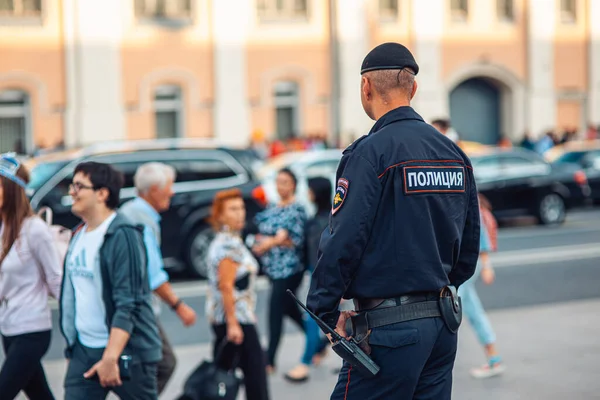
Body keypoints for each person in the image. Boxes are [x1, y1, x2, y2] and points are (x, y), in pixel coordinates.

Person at [306, 42, 480, 399]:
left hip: (389, 331)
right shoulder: (453, 154)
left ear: (365, 88)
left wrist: (324, 309)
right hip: (441, 325)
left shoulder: (370, 153)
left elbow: (344, 238)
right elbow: (469, 244)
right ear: (413, 89)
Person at [59, 162, 162, 400]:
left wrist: (110, 357)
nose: (71, 192)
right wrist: (72, 347)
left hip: (127, 353)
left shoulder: (123, 235)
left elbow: (130, 302)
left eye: (78, 186)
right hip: (84, 352)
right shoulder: (78, 234)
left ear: (102, 193)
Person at [119, 162, 197, 394]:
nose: (172, 192)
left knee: (141, 364)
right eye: (169, 187)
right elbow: (152, 274)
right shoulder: (141, 219)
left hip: (127, 306)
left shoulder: (132, 212)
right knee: (163, 363)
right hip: (137, 307)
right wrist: (179, 306)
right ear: (154, 189)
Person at [0, 153, 62, 400]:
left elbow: (56, 279)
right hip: (8, 327)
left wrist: (77, 325)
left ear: (12, 190)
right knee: (40, 394)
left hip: (33, 330)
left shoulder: (35, 230)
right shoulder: (3, 228)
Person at [205, 189, 270, 400]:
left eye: (241, 208)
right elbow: (226, 286)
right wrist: (234, 322)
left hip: (234, 316)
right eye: (233, 209)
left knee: (224, 374)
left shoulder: (230, 239)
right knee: (255, 377)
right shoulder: (228, 244)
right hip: (234, 319)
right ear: (220, 215)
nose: (240, 213)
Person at [252, 168, 307, 374]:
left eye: (284, 182)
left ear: (293, 184)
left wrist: (271, 242)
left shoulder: (297, 209)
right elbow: (263, 232)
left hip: (290, 269)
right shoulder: (272, 207)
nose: (280, 186)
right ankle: (319, 341)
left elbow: (293, 240)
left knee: (275, 309)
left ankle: (269, 360)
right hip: (272, 268)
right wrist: (274, 240)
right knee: (289, 309)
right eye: (278, 181)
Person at [284, 177, 332, 383]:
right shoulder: (321, 219)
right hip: (316, 274)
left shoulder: (325, 222)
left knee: (313, 319)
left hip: (325, 276)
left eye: (310, 190)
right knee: (319, 319)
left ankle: (305, 362)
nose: (308, 193)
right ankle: (319, 348)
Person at [459, 194, 505, 378]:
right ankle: (494, 357)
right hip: (467, 266)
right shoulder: (465, 197)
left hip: (466, 266)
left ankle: (433, 364)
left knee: (449, 310)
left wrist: (487, 266)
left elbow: (481, 239)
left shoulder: (467, 203)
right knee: (472, 310)